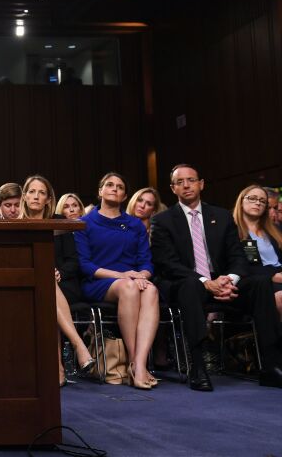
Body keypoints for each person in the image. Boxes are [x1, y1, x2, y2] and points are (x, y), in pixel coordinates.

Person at [151, 164, 282, 390]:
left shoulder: (220, 216)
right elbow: (168, 263)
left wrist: (229, 279)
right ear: (173, 189)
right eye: (180, 182)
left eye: (191, 180)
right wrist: (206, 282)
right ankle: (198, 366)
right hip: (185, 281)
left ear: (201, 184)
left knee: (260, 283)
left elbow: (238, 257)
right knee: (190, 285)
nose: (186, 185)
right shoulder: (163, 221)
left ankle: (271, 366)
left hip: (221, 280)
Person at [75, 172, 158, 390]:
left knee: (151, 290)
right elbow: (86, 266)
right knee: (130, 287)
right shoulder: (85, 223)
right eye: (109, 185)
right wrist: (123, 275)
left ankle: (139, 364)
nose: (115, 189)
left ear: (124, 196)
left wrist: (143, 276)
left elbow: (147, 263)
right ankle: (134, 360)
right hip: (99, 281)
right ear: (100, 191)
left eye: (120, 187)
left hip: (131, 279)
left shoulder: (135, 224)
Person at [17, 175, 95, 385]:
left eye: (41, 193)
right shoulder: (16, 225)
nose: (36, 196)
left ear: (48, 199)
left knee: (47, 291)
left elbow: (73, 260)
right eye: (32, 192)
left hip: (64, 283)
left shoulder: (58, 222)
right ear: (24, 196)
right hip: (31, 283)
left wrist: (59, 272)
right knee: (45, 287)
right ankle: (78, 346)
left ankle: (58, 367)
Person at [231, 185, 282, 319]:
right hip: (258, 281)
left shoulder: (274, 230)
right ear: (241, 202)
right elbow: (246, 267)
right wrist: (274, 275)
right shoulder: (234, 232)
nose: (258, 202)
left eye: (262, 201)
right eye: (252, 198)